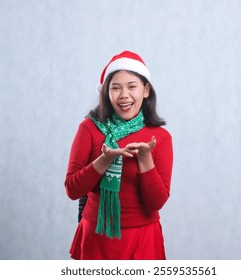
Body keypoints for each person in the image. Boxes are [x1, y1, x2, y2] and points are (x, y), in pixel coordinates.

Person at [64, 50, 173, 260]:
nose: (124, 95)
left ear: (146, 90)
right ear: (106, 93)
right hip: (97, 236)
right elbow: (72, 190)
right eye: (115, 88)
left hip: (143, 239)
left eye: (132, 86)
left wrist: (145, 159)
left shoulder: (161, 137)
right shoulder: (89, 128)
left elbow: (156, 202)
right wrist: (104, 160)